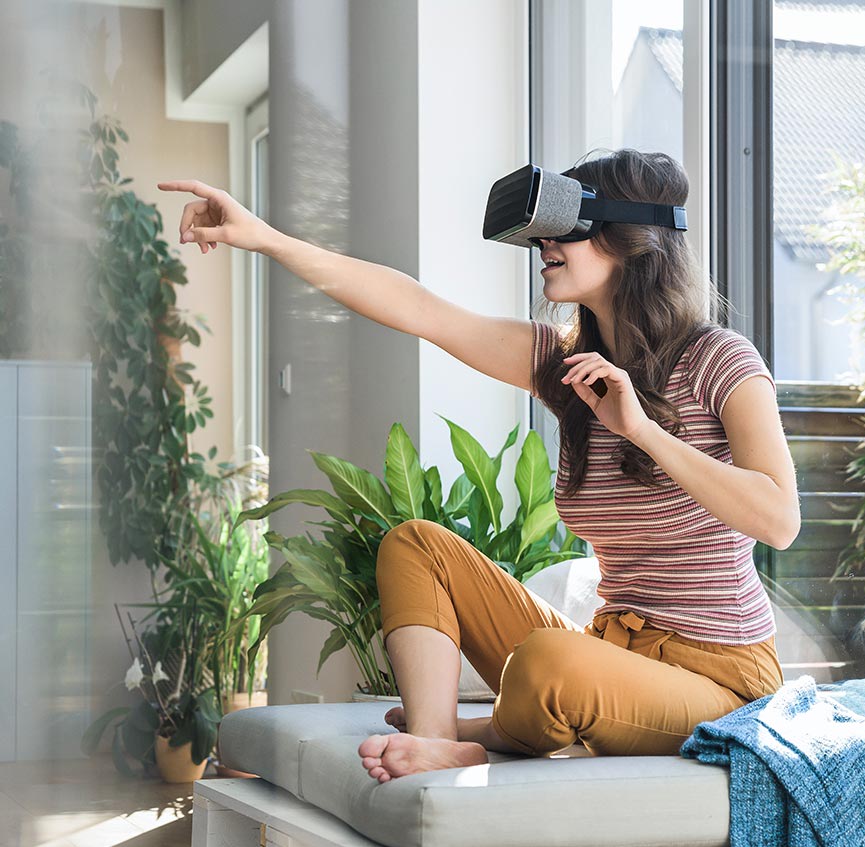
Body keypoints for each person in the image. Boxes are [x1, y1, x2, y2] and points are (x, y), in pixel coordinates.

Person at [158, 148, 800, 785]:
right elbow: (421, 309)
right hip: (612, 650)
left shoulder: (720, 360)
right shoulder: (565, 364)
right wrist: (265, 238)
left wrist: (642, 430)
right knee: (416, 545)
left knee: (549, 664)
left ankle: (487, 731)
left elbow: (778, 520)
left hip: (720, 677)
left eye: (568, 228)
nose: (546, 244)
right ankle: (439, 742)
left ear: (631, 242)